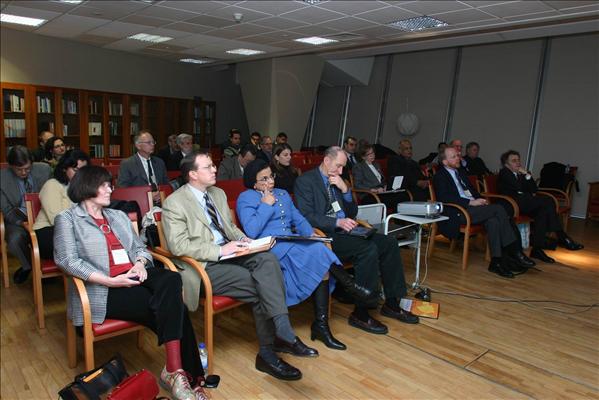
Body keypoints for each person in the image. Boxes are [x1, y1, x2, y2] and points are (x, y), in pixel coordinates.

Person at [53, 165, 208, 400]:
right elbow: (67, 261)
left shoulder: (117, 216)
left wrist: (139, 263)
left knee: (172, 278)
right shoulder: (67, 219)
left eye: (110, 185)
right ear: (87, 187)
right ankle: (187, 377)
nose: (110, 189)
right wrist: (109, 280)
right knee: (175, 307)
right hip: (102, 287)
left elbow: (139, 248)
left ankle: (174, 371)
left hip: (135, 275)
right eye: (104, 185)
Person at [162, 151, 316, 381]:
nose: (214, 169)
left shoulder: (217, 193)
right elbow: (178, 245)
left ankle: (283, 330)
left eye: (213, 165)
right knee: (261, 285)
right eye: (208, 167)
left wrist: (247, 241)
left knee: (267, 259)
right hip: (203, 264)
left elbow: (229, 228)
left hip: (232, 252)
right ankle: (269, 351)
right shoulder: (174, 203)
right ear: (193, 174)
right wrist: (219, 251)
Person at [237, 160, 373, 350]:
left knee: (319, 247)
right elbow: (251, 230)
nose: (270, 181)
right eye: (264, 179)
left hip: (291, 241)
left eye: (271, 176)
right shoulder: (246, 198)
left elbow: (298, 218)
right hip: (270, 247)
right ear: (254, 183)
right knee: (318, 252)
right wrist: (265, 205)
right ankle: (350, 286)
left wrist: (310, 234)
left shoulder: (282, 193)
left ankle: (322, 325)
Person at [294, 146, 419, 335]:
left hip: (347, 230)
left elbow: (352, 212)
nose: (340, 171)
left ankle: (392, 303)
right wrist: (337, 222)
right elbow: (307, 216)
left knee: (389, 243)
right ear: (326, 161)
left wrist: (345, 190)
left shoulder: (338, 180)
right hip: (324, 235)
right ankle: (361, 312)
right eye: (338, 166)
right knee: (367, 249)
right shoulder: (305, 181)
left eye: (343, 167)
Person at [433, 146, 534, 278]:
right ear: (445, 162)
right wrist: (470, 202)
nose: (458, 158)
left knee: (493, 221)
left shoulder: (460, 172)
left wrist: (480, 199)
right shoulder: (440, 176)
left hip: (473, 209)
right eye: (454, 157)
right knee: (499, 208)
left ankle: (496, 262)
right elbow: (444, 198)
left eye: (457, 155)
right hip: (458, 212)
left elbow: (473, 191)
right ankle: (515, 251)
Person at [497, 150, 583, 263]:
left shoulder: (520, 174)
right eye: (514, 161)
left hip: (524, 203)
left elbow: (534, 189)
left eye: (518, 160)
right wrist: (525, 175)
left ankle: (537, 249)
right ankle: (561, 235)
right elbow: (518, 187)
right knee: (548, 200)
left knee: (542, 213)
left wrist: (527, 176)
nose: (518, 163)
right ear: (506, 164)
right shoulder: (504, 173)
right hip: (513, 204)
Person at [0, 146, 52, 284]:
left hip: (42, 215)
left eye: (27, 168)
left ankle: (49, 267)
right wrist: (21, 223)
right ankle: (30, 266)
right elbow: (6, 209)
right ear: (11, 166)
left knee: (52, 234)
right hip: (18, 218)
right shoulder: (2, 178)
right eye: (19, 169)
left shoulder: (44, 170)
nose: (24, 172)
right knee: (15, 239)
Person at [33, 149, 90, 260]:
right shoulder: (52, 185)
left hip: (76, 231)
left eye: (84, 170)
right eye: (75, 170)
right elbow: (57, 219)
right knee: (87, 244)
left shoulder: (85, 188)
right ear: (64, 168)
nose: (80, 174)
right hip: (49, 231)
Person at [352, 144, 409, 210]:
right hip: (369, 195)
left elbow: (382, 180)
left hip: (381, 192)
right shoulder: (359, 167)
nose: (372, 155)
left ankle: (398, 216)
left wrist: (385, 186)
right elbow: (357, 184)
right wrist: (371, 189)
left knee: (402, 196)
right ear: (363, 157)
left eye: (373, 153)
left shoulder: (376, 165)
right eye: (369, 154)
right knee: (393, 199)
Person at [117, 130, 168, 203]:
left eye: (153, 142)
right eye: (149, 142)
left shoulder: (159, 162)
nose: (152, 145)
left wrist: (161, 194)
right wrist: (148, 196)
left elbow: (166, 185)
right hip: (140, 203)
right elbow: (123, 190)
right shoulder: (127, 164)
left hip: (161, 202)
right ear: (138, 146)